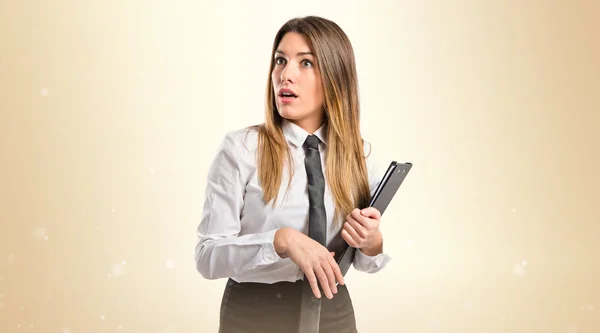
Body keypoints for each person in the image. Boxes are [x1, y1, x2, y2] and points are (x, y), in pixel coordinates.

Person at [194, 15, 391, 333]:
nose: (285, 75)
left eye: (306, 63)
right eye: (280, 61)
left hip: (333, 312)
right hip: (254, 313)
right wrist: (280, 241)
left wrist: (371, 242)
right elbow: (207, 256)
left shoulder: (359, 156)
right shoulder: (242, 148)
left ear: (335, 77)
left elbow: (365, 262)